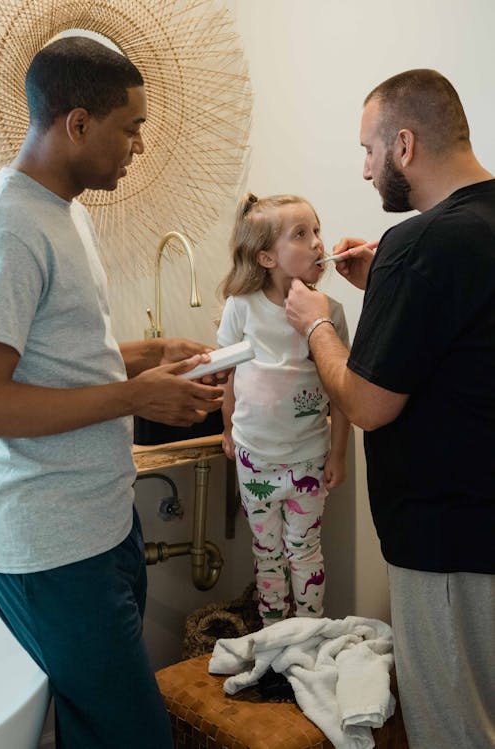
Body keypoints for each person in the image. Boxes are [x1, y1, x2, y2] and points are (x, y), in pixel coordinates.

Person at [0, 37, 225, 749]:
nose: (139, 144)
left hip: (101, 525)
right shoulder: (11, 225)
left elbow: (54, 363)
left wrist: (144, 357)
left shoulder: (68, 213)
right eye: (131, 126)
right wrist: (135, 397)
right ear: (78, 123)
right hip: (52, 548)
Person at [285, 69, 495, 748]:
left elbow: (368, 404)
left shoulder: (422, 243)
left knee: (455, 729)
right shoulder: (467, 234)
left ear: (404, 145)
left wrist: (318, 323)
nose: (367, 169)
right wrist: (387, 280)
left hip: (448, 544)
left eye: (369, 151)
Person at [218, 193, 350, 625]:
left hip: (307, 457)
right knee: (266, 553)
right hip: (254, 456)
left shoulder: (330, 313)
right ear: (266, 257)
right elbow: (229, 376)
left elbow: (341, 392)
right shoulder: (242, 307)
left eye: (317, 231)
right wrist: (226, 432)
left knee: (305, 550)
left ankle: (309, 635)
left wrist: (338, 453)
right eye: (301, 234)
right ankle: (275, 635)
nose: (317, 243)